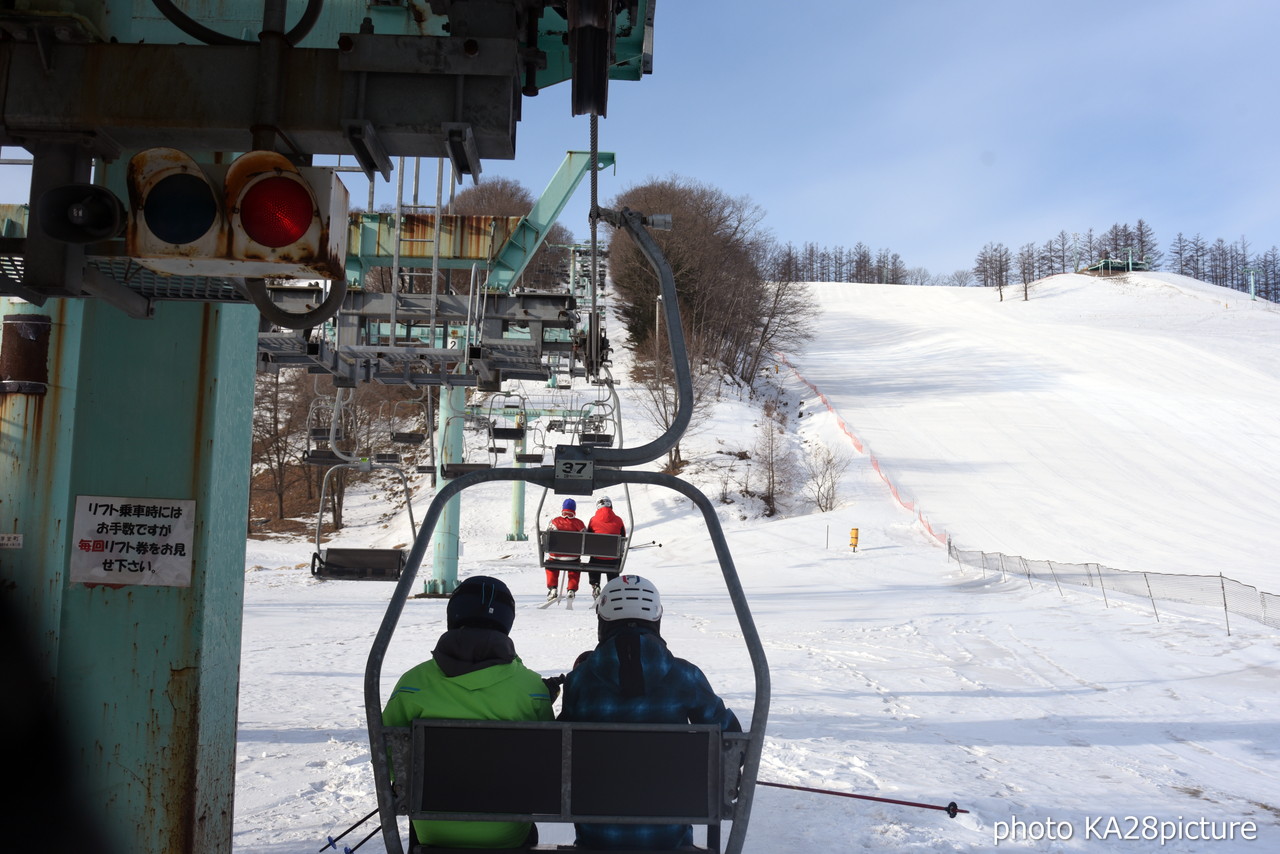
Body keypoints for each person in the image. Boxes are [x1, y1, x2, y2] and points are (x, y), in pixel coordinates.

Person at [560, 575, 741, 850]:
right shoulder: (685, 676)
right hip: (669, 841)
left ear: (602, 622)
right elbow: (733, 742)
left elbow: (559, 753)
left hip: (597, 841)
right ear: (656, 620)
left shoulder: (581, 680)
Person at [382, 575, 554, 849]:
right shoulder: (531, 688)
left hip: (433, 832)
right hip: (505, 835)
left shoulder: (413, 684)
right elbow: (546, 760)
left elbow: (387, 755)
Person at [584, 495, 626, 598]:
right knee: (614, 559)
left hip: (597, 558)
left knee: (594, 561)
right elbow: (623, 536)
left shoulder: (593, 520)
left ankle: (595, 584)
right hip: (613, 559)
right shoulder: (618, 520)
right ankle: (612, 587)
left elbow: (589, 537)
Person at [545, 497, 585, 600]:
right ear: (574, 510)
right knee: (574, 569)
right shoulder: (579, 523)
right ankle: (571, 589)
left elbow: (547, 536)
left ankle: (553, 588)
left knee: (552, 568)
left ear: (563, 509)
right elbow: (586, 538)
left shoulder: (555, 521)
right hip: (573, 557)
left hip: (556, 557)